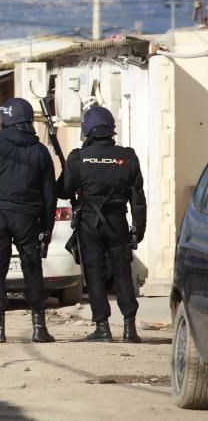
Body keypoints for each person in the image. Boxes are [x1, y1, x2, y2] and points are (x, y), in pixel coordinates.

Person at [0, 98, 57, 344]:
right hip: (28, 218)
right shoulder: (40, 150)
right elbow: (49, 194)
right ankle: (39, 327)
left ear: (5, 119)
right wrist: (47, 228)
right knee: (32, 269)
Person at [61, 106, 146, 343]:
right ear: (111, 129)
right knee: (122, 273)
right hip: (118, 221)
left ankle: (103, 327)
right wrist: (138, 230)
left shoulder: (78, 158)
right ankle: (130, 328)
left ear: (87, 130)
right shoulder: (127, 156)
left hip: (89, 223)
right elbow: (138, 198)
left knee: (95, 274)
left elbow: (63, 190)